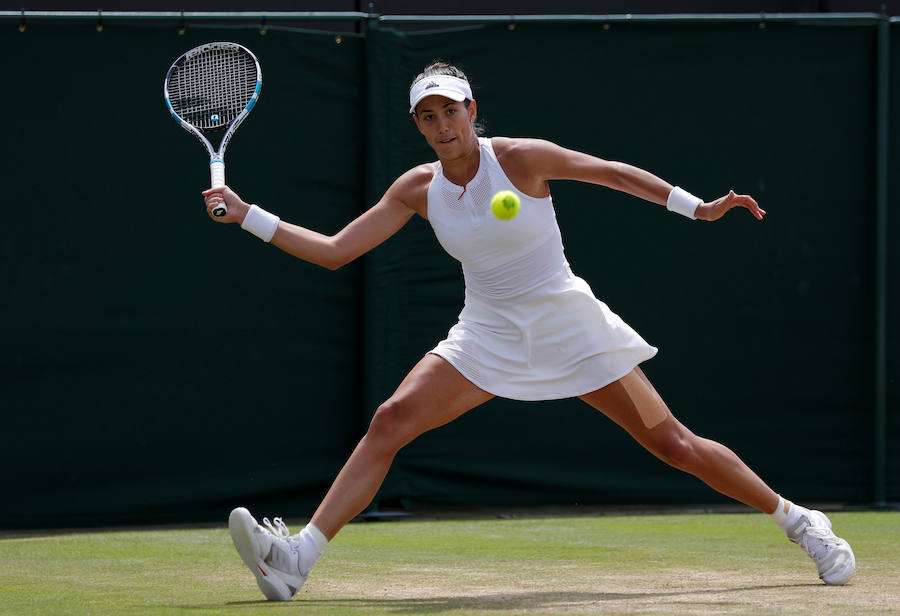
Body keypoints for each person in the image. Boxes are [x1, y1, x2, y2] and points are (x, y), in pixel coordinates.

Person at [203, 62, 856, 601]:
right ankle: (296, 560)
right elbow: (337, 250)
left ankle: (801, 521)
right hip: (486, 333)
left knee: (676, 446)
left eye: (450, 111)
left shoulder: (519, 160)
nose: (441, 125)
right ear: (418, 126)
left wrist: (697, 208)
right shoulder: (416, 189)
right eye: (427, 117)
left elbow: (611, 172)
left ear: (471, 110)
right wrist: (250, 216)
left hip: (567, 322)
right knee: (391, 419)